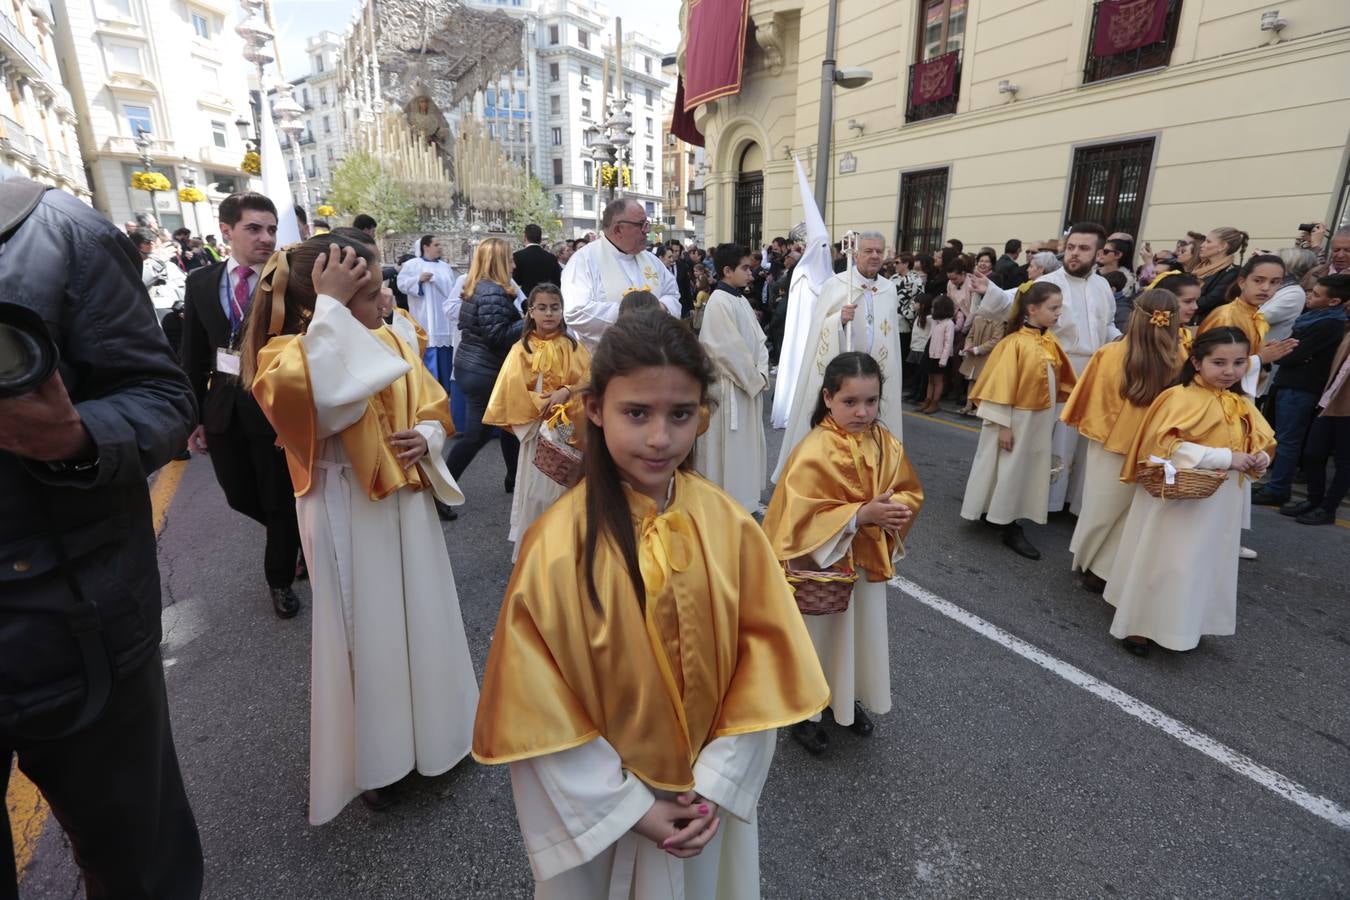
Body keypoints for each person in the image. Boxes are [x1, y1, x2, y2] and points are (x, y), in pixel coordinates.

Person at [472, 310, 828, 899]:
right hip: (607, 815)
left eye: (680, 414)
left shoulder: (731, 528)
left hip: (702, 803)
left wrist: (714, 784)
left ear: (701, 417)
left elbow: (763, 666)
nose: (660, 438)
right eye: (636, 413)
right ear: (595, 410)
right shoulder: (556, 546)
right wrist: (629, 807)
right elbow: (537, 703)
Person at [0, 170, 203, 898]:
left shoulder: (58, 231)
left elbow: (161, 397)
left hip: (78, 625)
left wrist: (76, 437)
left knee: (135, 862)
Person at [242, 230, 478, 824]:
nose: (387, 300)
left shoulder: (392, 331)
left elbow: (432, 404)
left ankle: (439, 734)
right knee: (364, 632)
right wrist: (327, 311)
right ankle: (379, 761)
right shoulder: (285, 355)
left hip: (404, 497)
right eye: (369, 290)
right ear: (326, 298)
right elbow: (328, 404)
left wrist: (425, 437)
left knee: (421, 614)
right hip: (343, 502)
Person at [763, 352, 923, 753]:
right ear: (828, 398)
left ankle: (843, 700)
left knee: (857, 636)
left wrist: (895, 509)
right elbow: (797, 517)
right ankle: (803, 712)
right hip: (824, 569)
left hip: (866, 564)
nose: (862, 411)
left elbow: (909, 488)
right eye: (850, 402)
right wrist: (859, 515)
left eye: (871, 401)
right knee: (819, 638)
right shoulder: (814, 449)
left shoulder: (885, 441)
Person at [1106, 328, 1274, 656]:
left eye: (1239, 362)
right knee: (1167, 559)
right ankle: (1139, 625)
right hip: (1179, 498)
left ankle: (1187, 623)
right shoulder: (1177, 397)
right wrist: (1225, 458)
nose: (1230, 371)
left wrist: (1261, 457)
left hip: (1221, 499)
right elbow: (1163, 446)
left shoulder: (1238, 402)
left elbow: (1261, 438)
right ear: (1197, 362)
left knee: (1204, 561)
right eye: (1219, 362)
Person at [179, 191, 303, 619]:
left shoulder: (289, 279)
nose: (266, 238)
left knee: (278, 500)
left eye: (271, 229)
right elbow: (193, 353)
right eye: (254, 228)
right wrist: (193, 417)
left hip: (273, 410)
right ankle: (295, 538)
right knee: (238, 495)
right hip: (222, 407)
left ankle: (280, 580)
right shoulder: (200, 282)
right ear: (226, 231)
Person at [971, 223, 1120, 514]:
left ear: (1099, 253)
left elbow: (1108, 324)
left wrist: (1120, 341)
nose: (1074, 254)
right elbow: (1014, 300)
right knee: (1045, 438)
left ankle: (1064, 500)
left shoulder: (1103, 286)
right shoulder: (1052, 281)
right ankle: (1038, 501)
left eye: (1084, 248)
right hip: (1051, 368)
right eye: (1071, 247)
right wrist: (989, 289)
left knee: (1077, 440)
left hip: (1092, 372)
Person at [1060, 289, 1181, 592]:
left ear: (1135, 317)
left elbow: (1091, 401)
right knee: (1132, 513)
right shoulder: (1181, 359)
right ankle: (1107, 568)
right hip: (1155, 448)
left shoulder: (1109, 354)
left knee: (1100, 506)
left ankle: (1087, 560)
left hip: (1109, 443)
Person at [775, 231, 904, 481]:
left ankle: (869, 477)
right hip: (845, 372)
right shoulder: (838, 285)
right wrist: (838, 321)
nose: (875, 256)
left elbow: (890, 336)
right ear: (855, 255)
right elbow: (818, 327)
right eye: (868, 251)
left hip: (874, 374)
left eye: (879, 251)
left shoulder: (888, 289)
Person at [960, 283, 1076, 559]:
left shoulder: (1049, 341)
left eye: (1060, 307)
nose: (1059, 313)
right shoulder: (1014, 343)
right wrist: (1003, 426)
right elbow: (1001, 387)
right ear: (1032, 310)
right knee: (1010, 468)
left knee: (1022, 468)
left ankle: (999, 512)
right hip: (1015, 421)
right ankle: (1007, 522)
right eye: (1053, 308)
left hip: (1038, 419)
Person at [483, 283, 590, 559]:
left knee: (565, 489)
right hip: (536, 431)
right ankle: (536, 551)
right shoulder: (521, 349)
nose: (549, 313)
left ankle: (566, 549)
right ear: (530, 312)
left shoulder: (573, 346)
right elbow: (512, 390)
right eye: (541, 308)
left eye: (555, 307)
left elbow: (589, 380)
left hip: (567, 431)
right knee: (537, 493)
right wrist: (541, 406)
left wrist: (567, 391)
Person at [1253, 274, 1350, 507]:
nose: (1309, 297)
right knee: (1279, 435)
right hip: (1289, 382)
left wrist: (1284, 352)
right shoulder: (1312, 317)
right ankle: (1275, 483)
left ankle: (1279, 488)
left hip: (1302, 388)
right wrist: (1284, 351)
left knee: (1288, 440)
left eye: (1316, 294)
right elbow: (1289, 349)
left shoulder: (1329, 324)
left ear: (1333, 302)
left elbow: (1293, 353)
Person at [693, 244, 770, 511]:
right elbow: (725, 350)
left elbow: (760, 340)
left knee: (744, 447)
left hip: (746, 385)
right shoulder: (718, 302)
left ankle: (746, 499)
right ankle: (726, 503)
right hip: (729, 389)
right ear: (727, 271)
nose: (751, 274)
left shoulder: (738, 299)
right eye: (745, 268)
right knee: (728, 448)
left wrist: (759, 372)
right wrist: (752, 378)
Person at [447, 237, 524, 494]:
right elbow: (497, 336)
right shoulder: (492, 291)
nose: (514, 265)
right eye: (510, 259)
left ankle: (514, 479)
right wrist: (529, 320)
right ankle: (440, 489)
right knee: (476, 436)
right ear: (499, 262)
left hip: (474, 366)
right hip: (484, 370)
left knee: (509, 424)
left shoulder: (481, 287)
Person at [561, 198, 680, 349]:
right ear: (618, 229)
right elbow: (575, 312)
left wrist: (659, 308)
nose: (647, 230)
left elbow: (672, 294)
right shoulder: (583, 261)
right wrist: (632, 315)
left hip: (651, 355)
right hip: (607, 360)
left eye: (647, 224)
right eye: (641, 225)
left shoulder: (651, 260)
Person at [1283, 284, 1350, 526]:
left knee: (1344, 461)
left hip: (1346, 407)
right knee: (1312, 453)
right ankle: (1314, 499)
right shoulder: (1345, 327)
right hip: (1329, 400)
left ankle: (1328, 507)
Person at [1199, 254, 1298, 396]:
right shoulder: (1227, 317)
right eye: (1258, 280)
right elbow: (1214, 366)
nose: (1266, 288)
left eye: (1274, 282)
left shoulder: (1254, 314)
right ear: (1242, 282)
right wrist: (1261, 358)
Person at [396, 235, 458, 402]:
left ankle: (446, 394)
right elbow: (401, 284)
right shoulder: (412, 265)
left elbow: (452, 290)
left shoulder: (445, 267)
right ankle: (429, 396)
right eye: (436, 244)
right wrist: (418, 279)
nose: (440, 247)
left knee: (446, 358)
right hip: (425, 317)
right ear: (426, 246)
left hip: (444, 321)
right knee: (429, 355)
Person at [957, 286, 1009, 416]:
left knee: (983, 382)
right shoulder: (978, 318)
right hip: (973, 355)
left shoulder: (999, 321)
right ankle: (968, 405)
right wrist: (969, 347)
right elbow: (970, 335)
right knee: (971, 380)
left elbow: (996, 340)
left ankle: (978, 407)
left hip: (987, 356)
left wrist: (977, 349)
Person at [1192, 227, 1247, 320]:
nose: (1202, 245)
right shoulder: (1199, 268)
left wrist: (1182, 304)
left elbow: (1210, 301)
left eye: (1208, 242)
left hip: (1212, 324)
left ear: (1222, 246)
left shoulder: (1232, 272)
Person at [918, 295, 956, 414]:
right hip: (930, 353)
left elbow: (948, 343)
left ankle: (935, 402)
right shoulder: (935, 321)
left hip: (939, 356)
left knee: (938, 380)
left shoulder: (949, 324)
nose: (932, 310)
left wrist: (943, 360)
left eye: (935, 308)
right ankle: (927, 400)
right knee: (930, 379)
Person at [512, 222, 563, 297]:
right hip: (547, 298)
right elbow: (557, 283)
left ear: (525, 237)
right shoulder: (551, 258)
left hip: (525, 299)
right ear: (540, 239)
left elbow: (515, 282)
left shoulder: (517, 256)